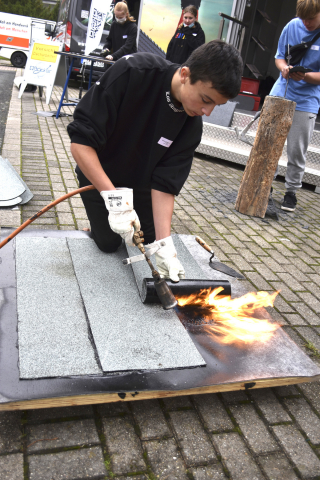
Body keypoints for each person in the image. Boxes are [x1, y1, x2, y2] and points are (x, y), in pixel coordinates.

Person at [67, 41, 242, 282]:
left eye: (216, 105)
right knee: (108, 244)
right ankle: (98, 226)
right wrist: (115, 200)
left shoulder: (191, 126)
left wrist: (165, 244)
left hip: (142, 186)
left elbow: (165, 183)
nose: (207, 111)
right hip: (98, 174)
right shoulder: (132, 73)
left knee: (148, 243)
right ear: (185, 74)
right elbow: (80, 144)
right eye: (205, 99)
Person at [270, 0, 320, 212]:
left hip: (307, 100)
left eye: (311, 19)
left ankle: (291, 192)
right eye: (303, 19)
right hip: (281, 91)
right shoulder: (291, 25)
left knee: (296, 149)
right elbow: (279, 57)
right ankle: (266, 185)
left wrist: (305, 76)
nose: (306, 23)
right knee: (269, 143)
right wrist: (283, 69)